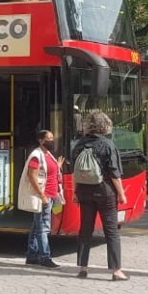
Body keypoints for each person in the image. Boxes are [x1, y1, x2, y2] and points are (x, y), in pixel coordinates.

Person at [71, 110, 129, 281]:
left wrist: (75, 192)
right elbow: (114, 173)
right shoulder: (108, 145)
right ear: (106, 126)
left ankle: (83, 268)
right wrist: (121, 194)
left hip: (83, 191)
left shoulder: (79, 144)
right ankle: (116, 270)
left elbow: (75, 171)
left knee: (85, 229)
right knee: (111, 231)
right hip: (105, 192)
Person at [21, 129, 64, 268]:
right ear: (41, 140)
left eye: (52, 138)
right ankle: (44, 257)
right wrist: (42, 195)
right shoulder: (36, 155)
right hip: (43, 197)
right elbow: (31, 176)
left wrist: (57, 167)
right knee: (44, 227)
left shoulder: (48, 154)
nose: (52, 141)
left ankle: (31, 255)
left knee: (36, 227)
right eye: (49, 139)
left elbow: (48, 171)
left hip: (50, 195)